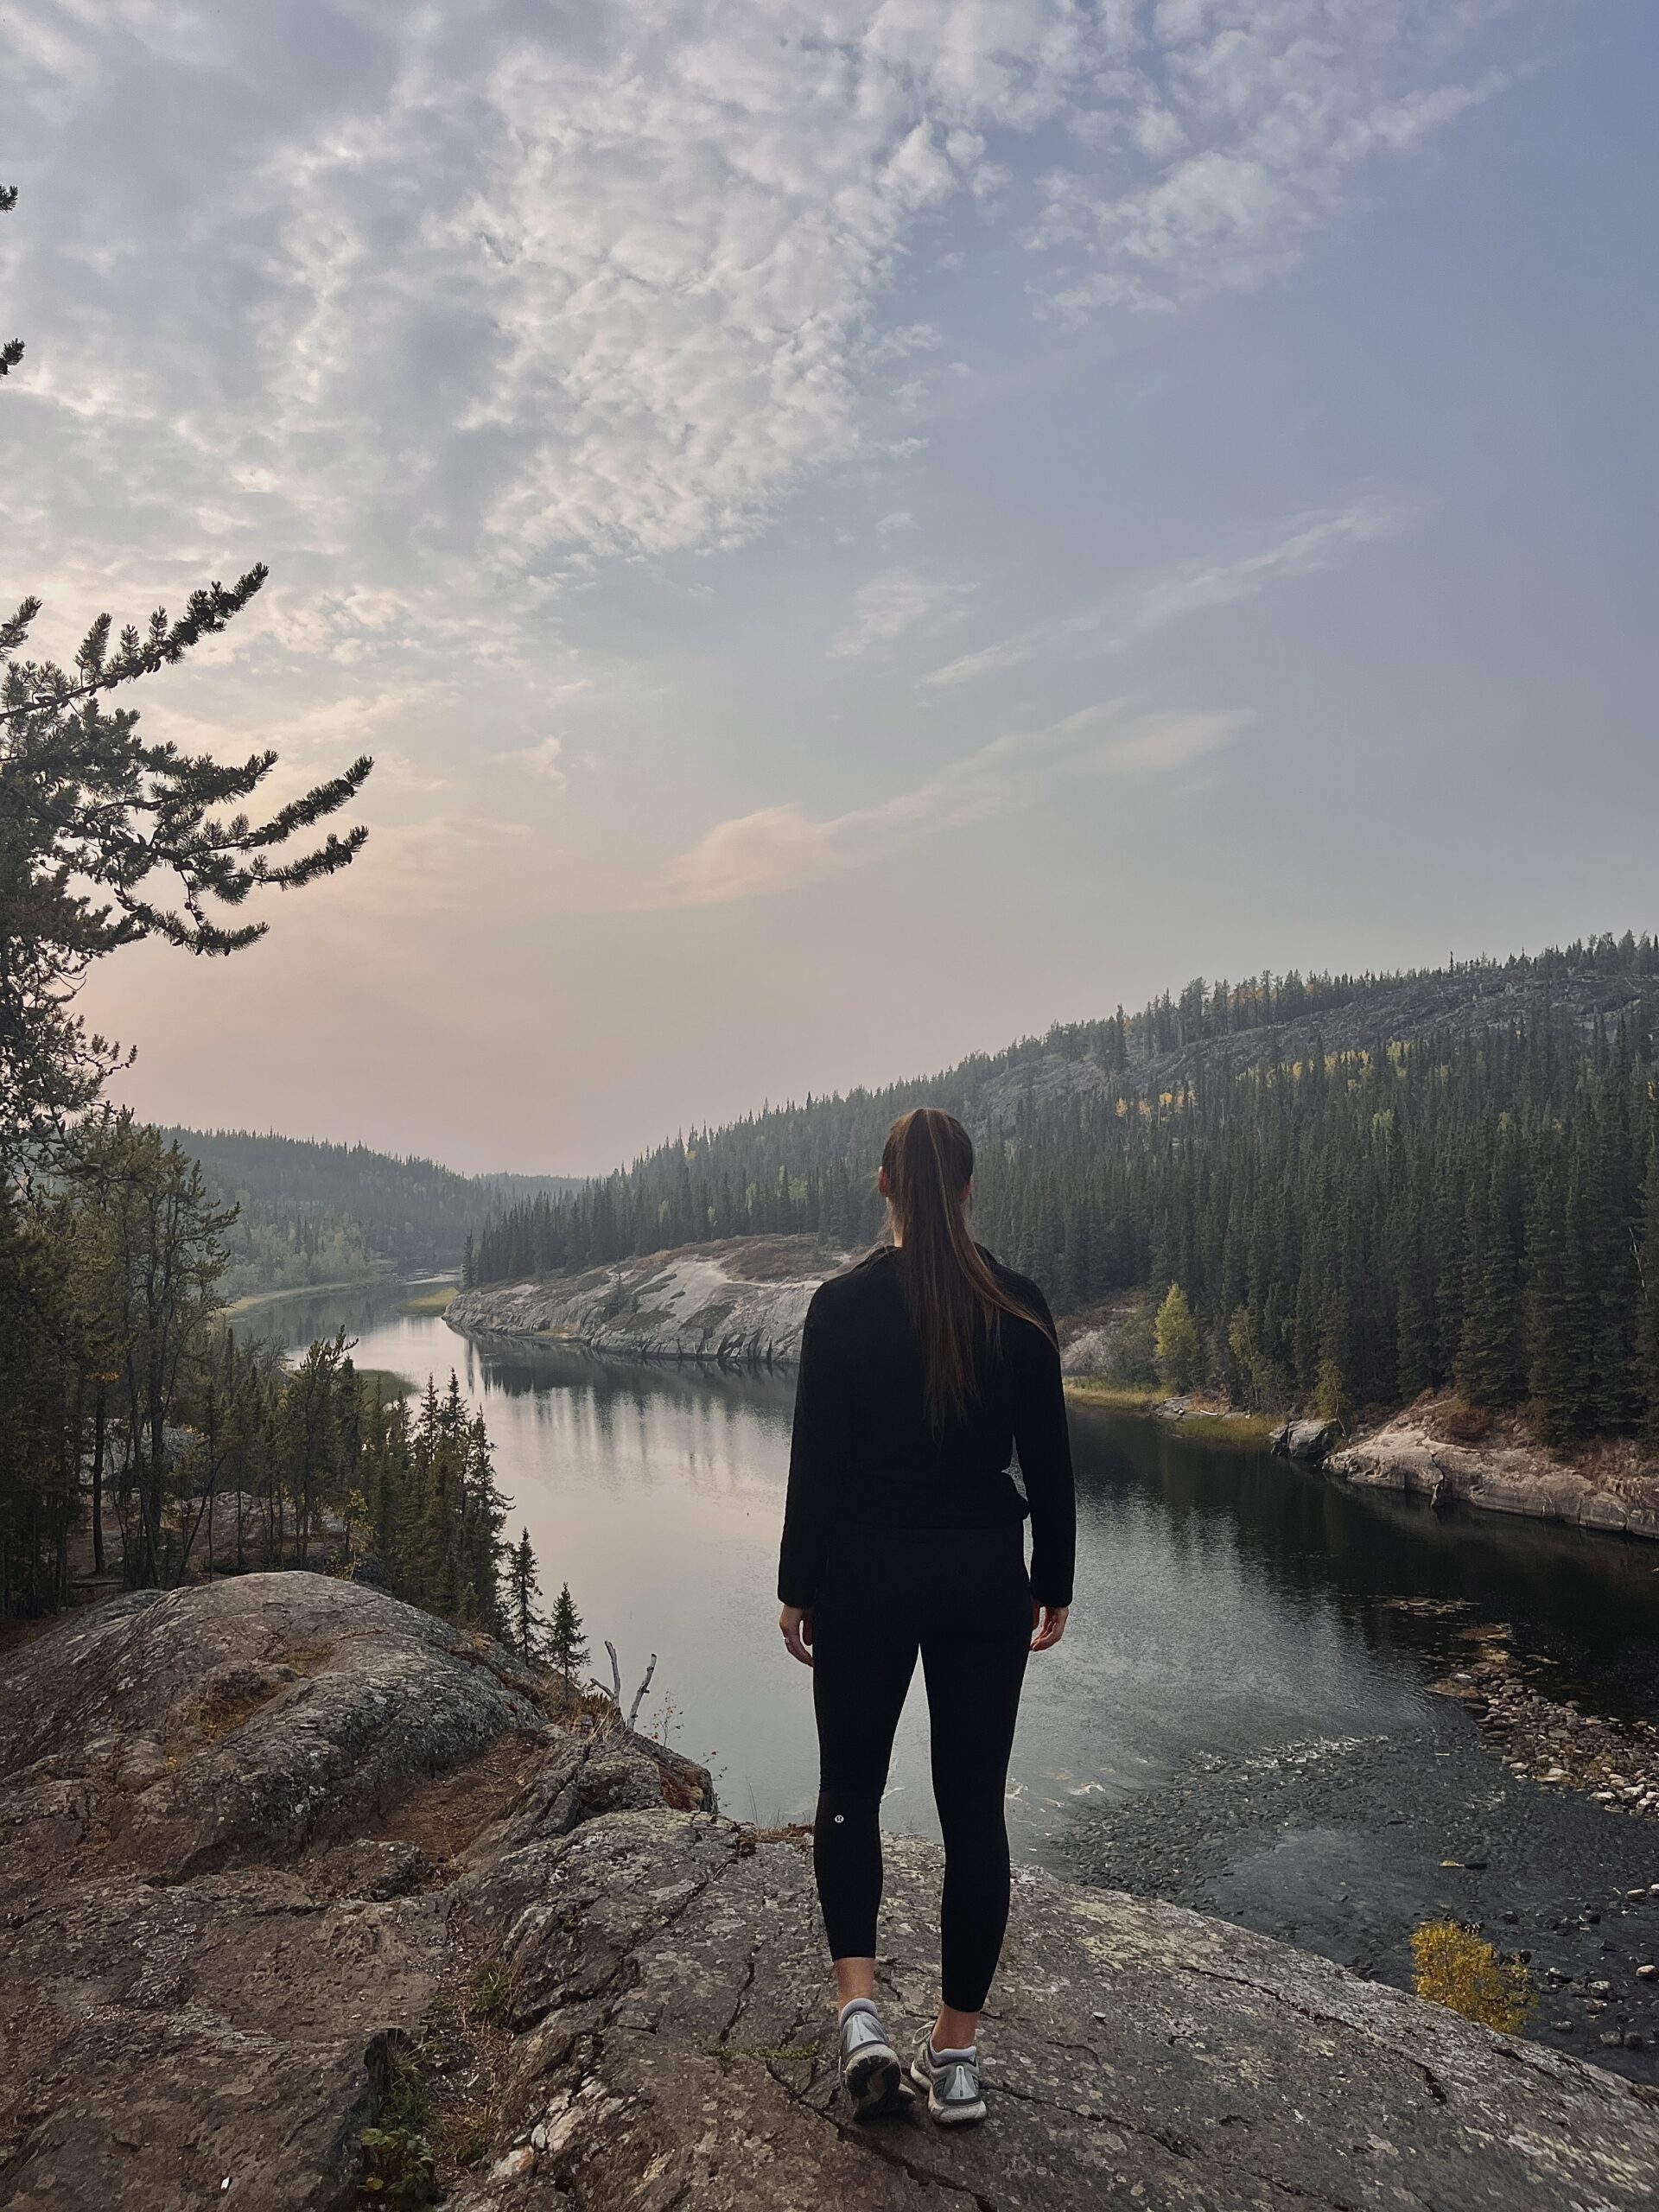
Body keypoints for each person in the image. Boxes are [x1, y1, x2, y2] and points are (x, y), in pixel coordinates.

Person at [777, 1106, 1076, 2128]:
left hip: (863, 1576)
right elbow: (1050, 1464)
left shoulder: (841, 1307)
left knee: (850, 1788)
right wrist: (1054, 1579)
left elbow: (815, 1463)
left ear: (883, 1187)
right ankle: (956, 2057)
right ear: (968, 1189)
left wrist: (796, 1582)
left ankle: (859, 2009)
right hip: (981, 1578)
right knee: (974, 1812)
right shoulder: (1022, 1306)